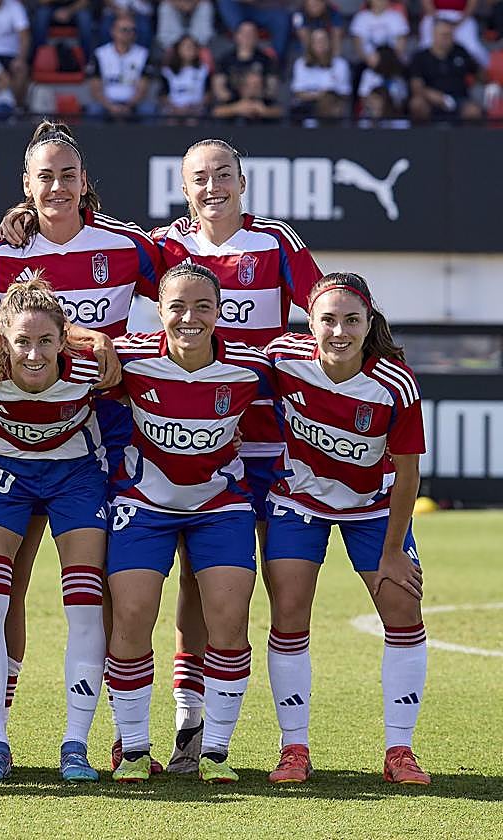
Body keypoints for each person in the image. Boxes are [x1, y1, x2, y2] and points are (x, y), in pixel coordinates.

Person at [0, 120, 156, 774]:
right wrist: (50, 336)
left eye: (68, 174)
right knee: (4, 589)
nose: (57, 186)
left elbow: (182, 308)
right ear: (25, 187)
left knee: (117, 590)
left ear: (86, 181)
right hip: (9, 444)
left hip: (100, 437)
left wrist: (111, 351)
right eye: (45, 176)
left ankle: (123, 728)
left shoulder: (128, 246)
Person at [151, 138, 322, 773]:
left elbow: (328, 311)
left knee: (278, 588)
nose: (212, 185)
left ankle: (290, 739)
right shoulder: (165, 245)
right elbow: (94, 264)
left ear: (242, 183)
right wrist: (23, 221)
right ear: (184, 186)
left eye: (223, 174)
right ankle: (188, 722)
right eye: (199, 176)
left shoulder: (277, 242)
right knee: (197, 582)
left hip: (271, 443)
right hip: (195, 438)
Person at [107, 262, 273, 784]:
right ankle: (133, 749)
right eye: (177, 306)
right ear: (159, 311)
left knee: (228, 617)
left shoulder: (251, 368)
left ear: (221, 312)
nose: (189, 317)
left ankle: (214, 751)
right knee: (131, 615)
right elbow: (58, 341)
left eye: (203, 306)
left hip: (219, 505)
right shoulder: (130, 356)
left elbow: (318, 366)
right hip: (143, 504)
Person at [262, 272, 430, 786]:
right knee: (289, 614)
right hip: (297, 501)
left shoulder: (395, 383)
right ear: (309, 323)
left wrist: (396, 549)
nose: (339, 331)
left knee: (403, 606)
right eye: (327, 320)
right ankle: (294, 749)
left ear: (368, 322)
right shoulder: (280, 359)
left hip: (374, 508)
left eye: (350, 320)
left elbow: (408, 473)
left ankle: (399, 749)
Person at [0, 278, 111, 783]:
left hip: (76, 477)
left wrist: (98, 339)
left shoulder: (92, 368)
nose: (35, 354)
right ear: (3, 338)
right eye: (22, 341)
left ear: (65, 339)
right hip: (3, 475)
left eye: (46, 341)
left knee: (84, 602)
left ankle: (76, 745)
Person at [408, 17, 483, 123]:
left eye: (451, 35)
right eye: (444, 35)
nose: (448, 38)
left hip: (459, 100)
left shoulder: (460, 52)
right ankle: (420, 138)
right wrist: (431, 95)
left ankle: (468, 139)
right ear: (434, 35)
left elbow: (479, 74)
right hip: (431, 101)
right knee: (417, 105)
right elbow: (416, 86)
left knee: (473, 111)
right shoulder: (420, 57)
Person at [86, 12, 153, 120]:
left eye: (132, 30)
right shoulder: (100, 54)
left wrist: (128, 106)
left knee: (148, 110)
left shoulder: (143, 54)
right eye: (124, 30)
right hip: (107, 103)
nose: (128, 33)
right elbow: (95, 88)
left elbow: (142, 89)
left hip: (133, 103)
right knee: (93, 110)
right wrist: (111, 107)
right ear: (113, 31)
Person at [289, 27, 351, 121]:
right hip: (308, 104)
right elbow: (298, 93)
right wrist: (319, 95)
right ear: (310, 44)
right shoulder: (300, 63)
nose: (320, 44)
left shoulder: (340, 64)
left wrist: (326, 97)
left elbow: (344, 93)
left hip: (333, 104)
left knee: (332, 105)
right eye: (316, 41)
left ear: (330, 43)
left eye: (323, 40)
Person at [159, 35, 209, 120]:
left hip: (196, 110)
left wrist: (197, 107)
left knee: (192, 120)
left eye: (192, 46)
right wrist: (175, 108)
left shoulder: (204, 70)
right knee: (171, 120)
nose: (189, 49)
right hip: (173, 110)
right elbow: (162, 94)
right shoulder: (168, 71)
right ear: (178, 49)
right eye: (185, 46)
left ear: (197, 50)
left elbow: (208, 93)